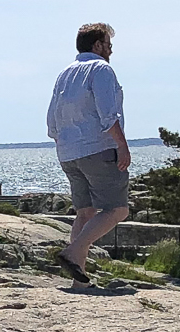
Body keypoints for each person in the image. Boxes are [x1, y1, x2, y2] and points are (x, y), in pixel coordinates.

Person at [45, 22, 131, 283]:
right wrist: (122, 145)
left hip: (68, 152)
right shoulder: (101, 69)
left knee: (85, 212)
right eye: (109, 45)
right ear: (98, 45)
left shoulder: (65, 73)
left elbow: (51, 119)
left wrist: (62, 141)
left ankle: (77, 277)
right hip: (97, 148)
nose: (111, 51)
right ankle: (74, 252)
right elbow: (108, 114)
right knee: (117, 209)